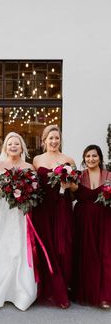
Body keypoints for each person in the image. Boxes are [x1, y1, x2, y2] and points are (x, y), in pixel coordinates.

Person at [0, 132, 38, 311]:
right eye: (10, 144)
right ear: (5, 147)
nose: (13, 146)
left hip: (21, 211)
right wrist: (6, 192)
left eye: (16, 144)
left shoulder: (28, 166)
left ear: (22, 147)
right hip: (3, 209)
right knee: (1, 244)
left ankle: (20, 290)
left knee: (19, 246)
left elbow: (34, 187)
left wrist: (23, 192)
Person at [32, 125, 75, 308]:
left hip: (61, 206)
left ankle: (62, 288)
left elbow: (75, 187)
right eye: (50, 138)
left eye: (57, 138)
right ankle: (47, 290)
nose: (54, 141)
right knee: (45, 247)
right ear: (44, 141)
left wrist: (67, 186)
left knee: (61, 247)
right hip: (42, 207)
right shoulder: (36, 160)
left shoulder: (68, 160)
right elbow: (33, 184)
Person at [72, 145, 111, 308]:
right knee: (86, 253)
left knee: (105, 254)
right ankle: (86, 292)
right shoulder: (78, 177)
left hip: (105, 219)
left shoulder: (108, 175)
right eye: (87, 156)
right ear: (84, 158)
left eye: (94, 156)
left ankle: (104, 295)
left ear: (100, 158)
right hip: (83, 220)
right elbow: (70, 194)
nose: (91, 159)